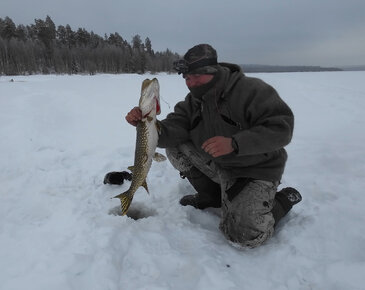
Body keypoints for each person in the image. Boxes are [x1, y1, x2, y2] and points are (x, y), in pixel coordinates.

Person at [124, 44, 301, 248]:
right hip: (219, 166)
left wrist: (235, 143)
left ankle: (281, 201)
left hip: (254, 171)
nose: (192, 82)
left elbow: (282, 128)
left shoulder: (251, 90)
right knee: (175, 147)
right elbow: (173, 131)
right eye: (187, 78)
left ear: (213, 70)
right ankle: (213, 196)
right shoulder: (192, 102)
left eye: (197, 75)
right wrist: (145, 124)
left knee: (243, 235)